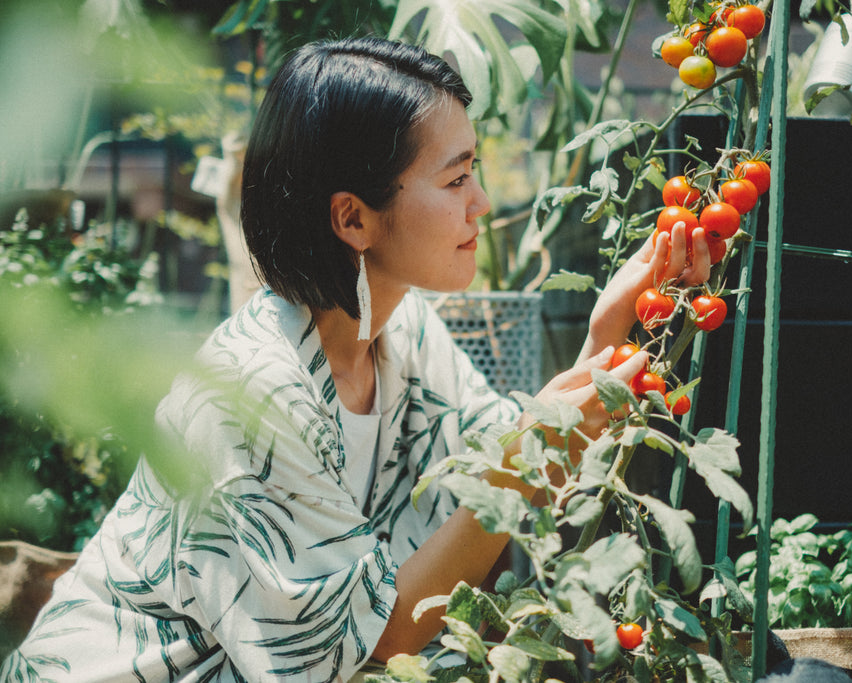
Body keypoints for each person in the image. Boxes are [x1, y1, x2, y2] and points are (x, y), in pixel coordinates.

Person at [1, 36, 711, 682]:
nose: (483, 204)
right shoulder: (254, 394)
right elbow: (368, 638)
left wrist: (605, 340)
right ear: (352, 217)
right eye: (456, 177)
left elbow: (515, 484)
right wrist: (535, 445)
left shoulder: (405, 335)